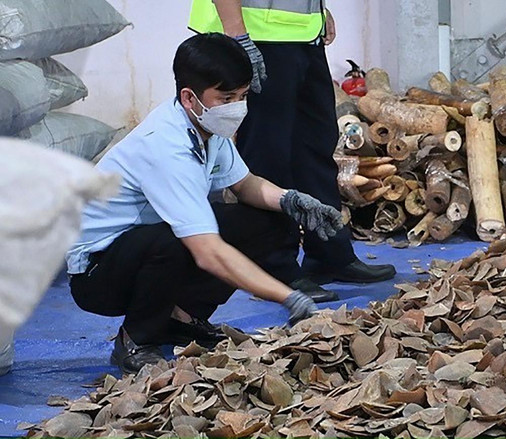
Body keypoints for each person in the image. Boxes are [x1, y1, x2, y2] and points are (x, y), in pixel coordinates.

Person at [65, 33, 341, 374]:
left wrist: (292, 200)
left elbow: (245, 184)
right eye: (226, 97)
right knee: (172, 241)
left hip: (143, 246)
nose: (236, 107)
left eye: (241, 96)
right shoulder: (166, 147)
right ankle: (136, 338)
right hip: (98, 273)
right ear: (189, 97)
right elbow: (207, 251)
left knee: (269, 220)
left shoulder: (208, 127)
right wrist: (287, 296)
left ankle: (182, 319)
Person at [188, 0, 396, 299]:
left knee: (315, 147)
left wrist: (318, 10)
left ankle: (329, 254)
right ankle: (273, 267)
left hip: (300, 38)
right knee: (267, 154)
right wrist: (238, 38)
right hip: (256, 37)